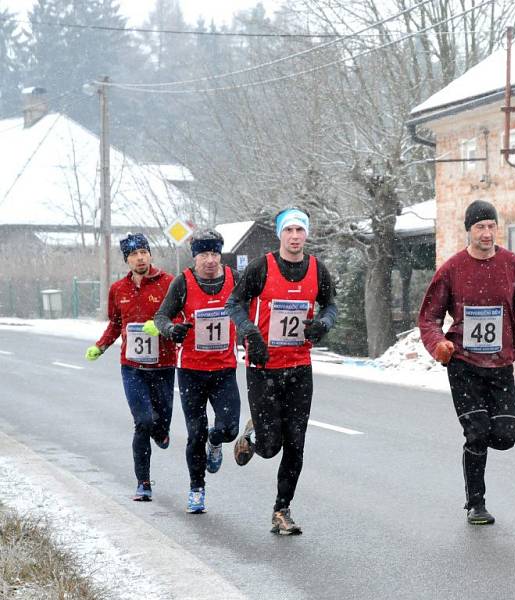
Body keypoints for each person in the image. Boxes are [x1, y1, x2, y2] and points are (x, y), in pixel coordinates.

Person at [418, 200, 515, 525]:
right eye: (480, 227)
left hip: (500, 365)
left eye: (491, 226)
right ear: (469, 231)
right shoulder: (452, 269)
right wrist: (439, 345)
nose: (486, 233)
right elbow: (429, 317)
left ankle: (481, 443)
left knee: (504, 435)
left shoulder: (512, 266)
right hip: (463, 364)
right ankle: (476, 503)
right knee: (476, 432)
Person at [226, 207, 337, 535]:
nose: (294, 236)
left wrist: (322, 324)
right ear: (280, 234)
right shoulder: (262, 267)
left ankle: (281, 510)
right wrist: (249, 332)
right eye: (288, 230)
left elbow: (330, 305)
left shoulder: (317, 270)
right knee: (270, 445)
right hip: (263, 366)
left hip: (300, 367)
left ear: (306, 234)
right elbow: (234, 302)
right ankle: (253, 433)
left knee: (297, 443)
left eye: (299, 230)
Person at [143, 229, 241, 514]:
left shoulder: (235, 279)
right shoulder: (183, 282)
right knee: (195, 433)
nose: (209, 260)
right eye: (203, 255)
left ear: (220, 255)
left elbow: (254, 304)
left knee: (230, 428)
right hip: (191, 371)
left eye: (214, 254)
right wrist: (172, 329)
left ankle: (216, 441)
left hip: (224, 369)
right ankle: (197, 489)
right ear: (194, 256)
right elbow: (161, 316)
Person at [84, 233, 176, 502]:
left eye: (143, 252)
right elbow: (115, 323)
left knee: (161, 421)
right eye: (134, 254)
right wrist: (100, 346)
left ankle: (163, 431)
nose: (140, 258)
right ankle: (143, 483)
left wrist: (161, 326)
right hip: (132, 367)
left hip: (163, 365)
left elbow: (180, 316)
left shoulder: (169, 283)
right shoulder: (118, 289)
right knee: (143, 422)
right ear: (127, 259)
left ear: (150, 255)